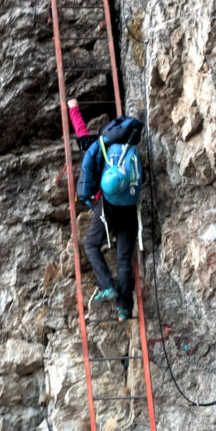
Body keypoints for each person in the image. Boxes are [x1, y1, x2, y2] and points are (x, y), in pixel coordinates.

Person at [67, 99, 143, 322]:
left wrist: (73, 109)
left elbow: (81, 132)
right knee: (124, 258)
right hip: (130, 208)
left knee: (91, 244)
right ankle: (124, 309)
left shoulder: (99, 145)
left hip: (107, 207)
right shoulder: (128, 149)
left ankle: (107, 285)